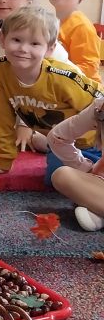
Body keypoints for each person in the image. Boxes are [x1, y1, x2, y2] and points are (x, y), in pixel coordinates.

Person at [0, 6, 102, 177]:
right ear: (2, 40)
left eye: (34, 43)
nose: (23, 49)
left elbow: (99, 102)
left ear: (50, 49)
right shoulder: (1, 69)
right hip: (58, 143)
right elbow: (1, 115)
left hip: (91, 142)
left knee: (63, 180)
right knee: (55, 177)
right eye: (17, 40)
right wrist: (3, 160)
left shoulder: (62, 77)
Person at [48, 97, 104, 231]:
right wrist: (85, 168)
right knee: (62, 175)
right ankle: (97, 206)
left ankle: (97, 208)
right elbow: (57, 137)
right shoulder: (100, 108)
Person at [47, 0, 101, 81]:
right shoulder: (52, 22)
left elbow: (89, 68)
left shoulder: (81, 26)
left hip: (84, 87)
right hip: (61, 82)